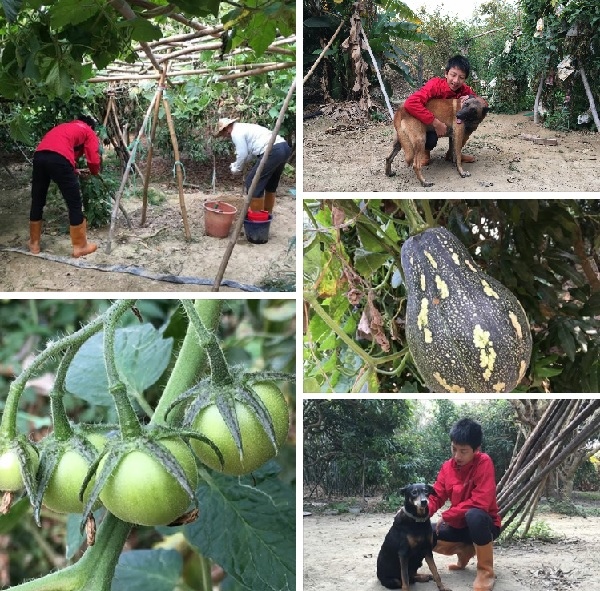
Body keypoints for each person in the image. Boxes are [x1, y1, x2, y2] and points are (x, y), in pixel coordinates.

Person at [429, 418, 501, 591]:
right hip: (459, 526)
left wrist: (447, 515)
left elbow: (480, 502)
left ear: (476, 450)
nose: (457, 456)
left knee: (474, 515)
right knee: (423, 532)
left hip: (484, 525)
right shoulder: (447, 467)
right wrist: (417, 512)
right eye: (454, 449)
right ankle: (466, 551)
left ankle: (486, 573)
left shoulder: (484, 463)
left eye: (463, 451)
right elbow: (436, 496)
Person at [29, 114, 102, 258]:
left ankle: (34, 243)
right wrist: (94, 171)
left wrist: (74, 170)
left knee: (37, 200)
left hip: (39, 157)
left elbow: (58, 151)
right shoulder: (88, 130)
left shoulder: (64, 127)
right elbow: (93, 158)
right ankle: (80, 247)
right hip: (59, 160)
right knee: (74, 203)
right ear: (91, 126)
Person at [403, 55, 484, 165]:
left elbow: (483, 104)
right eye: (453, 75)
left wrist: (471, 98)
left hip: (451, 124)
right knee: (431, 139)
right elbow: (410, 103)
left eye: (461, 77)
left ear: (465, 79)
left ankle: (454, 153)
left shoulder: (465, 90)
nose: (456, 81)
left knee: (469, 123)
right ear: (446, 73)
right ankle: (425, 153)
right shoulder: (434, 85)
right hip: (429, 125)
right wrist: (435, 122)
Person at [215, 118, 291, 214]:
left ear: (226, 129)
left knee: (252, 183)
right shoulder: (245, 127)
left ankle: (257, 218)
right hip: (283, 147)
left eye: (223, 134)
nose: (226, 136)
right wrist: (236, 163)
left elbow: (242, 154)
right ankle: (267, 214)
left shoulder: (236, 133)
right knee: (271, 183)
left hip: (273, 150)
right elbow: (249, 154)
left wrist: (237, 168)